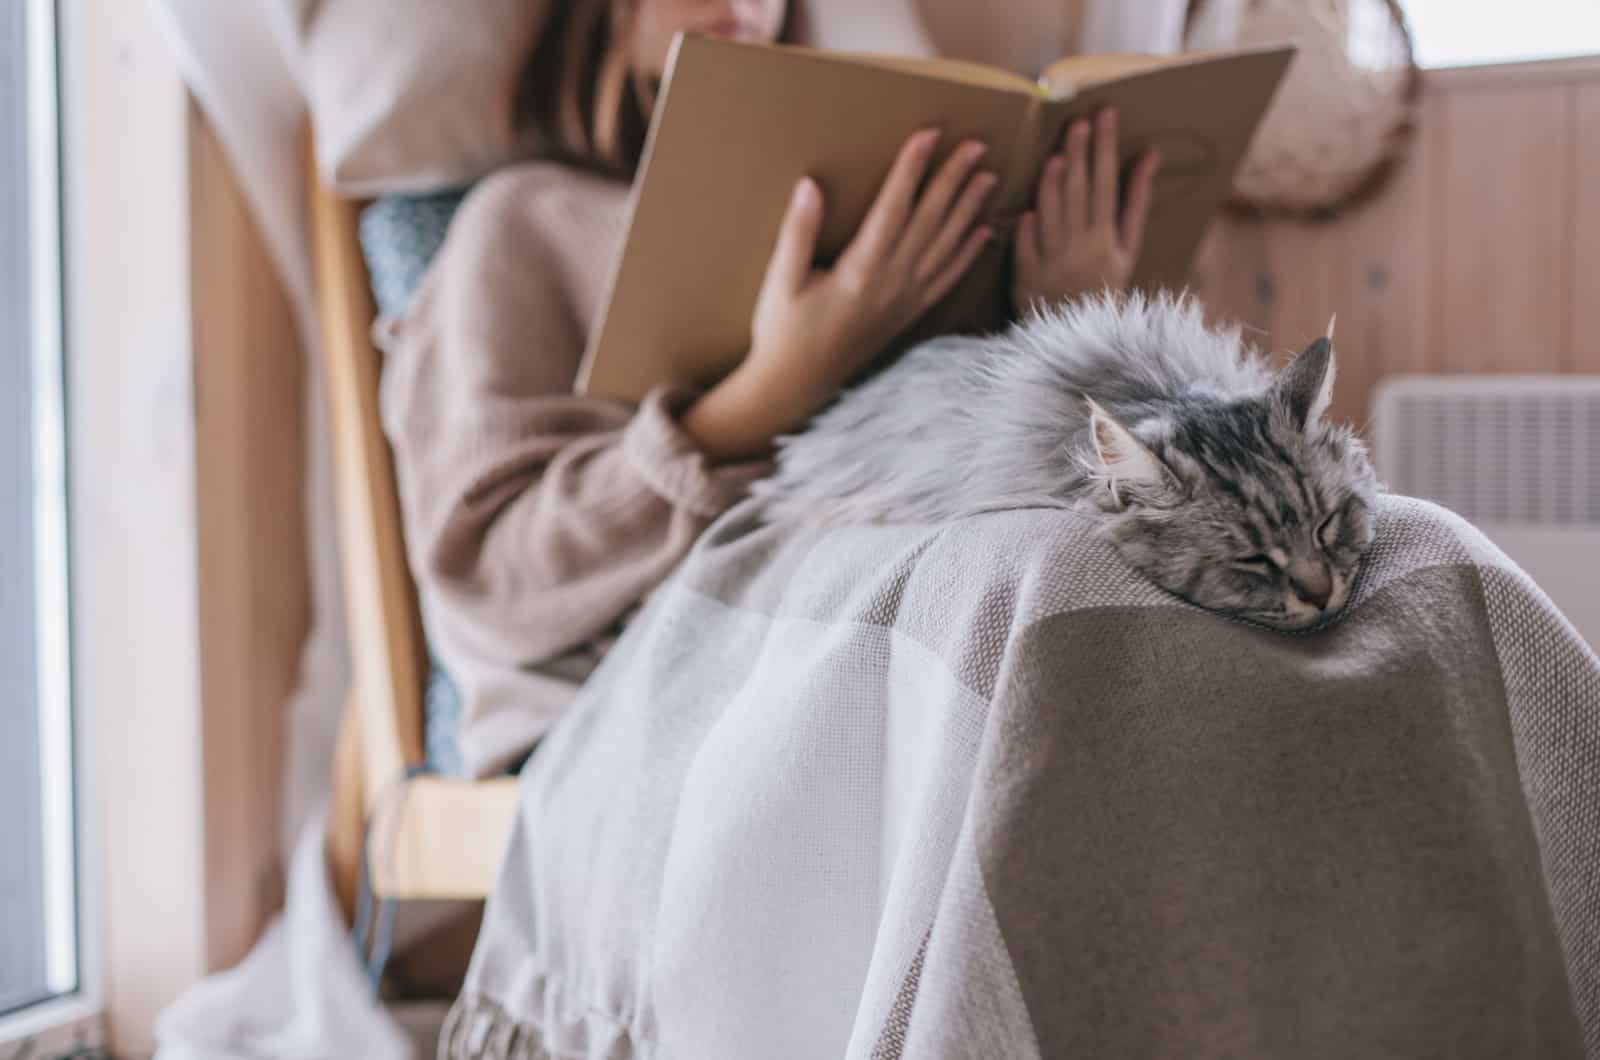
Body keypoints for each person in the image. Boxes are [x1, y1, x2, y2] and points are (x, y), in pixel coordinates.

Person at [381, 0, 1160, 777]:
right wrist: (766, 397)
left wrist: (1069, 324)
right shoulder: (524, 223)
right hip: (632, 710)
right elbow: (491, 581)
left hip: (868, 657)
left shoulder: (877, 242)